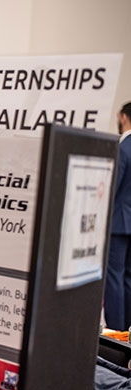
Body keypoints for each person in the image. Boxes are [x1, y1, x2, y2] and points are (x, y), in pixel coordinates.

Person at [105, 101, 131, 331]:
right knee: (128, 278)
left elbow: (112, 187)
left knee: (114, 278)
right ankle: (128, 329)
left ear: (124, 117)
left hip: (119, 223)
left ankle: (115, 332)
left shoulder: (122, 149)